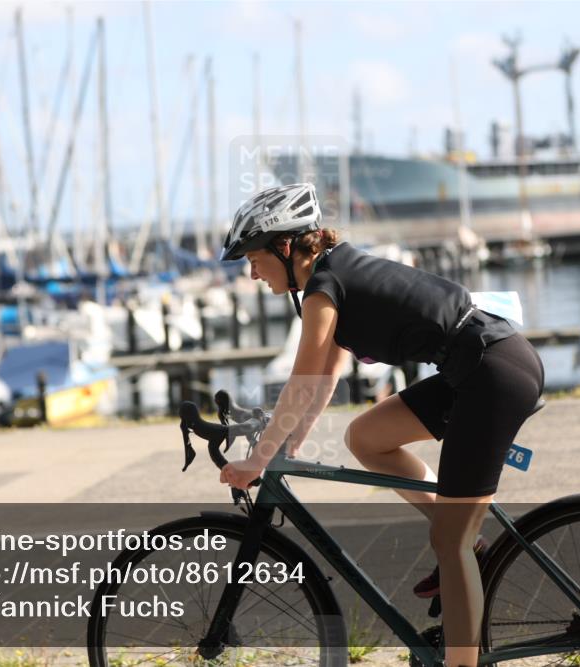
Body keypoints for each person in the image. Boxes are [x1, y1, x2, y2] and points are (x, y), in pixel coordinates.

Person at [217, 183, 545, 667]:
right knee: (366, 437)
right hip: (477, 366)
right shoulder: (331, 277)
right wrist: (288, 446)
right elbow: (324, 378)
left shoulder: (324, 290)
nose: (252, 271)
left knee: (448, 542)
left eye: (253, 257)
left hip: (492, 374)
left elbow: (300, 382)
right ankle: (468, 541)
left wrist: (258, 459)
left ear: (285, 248)